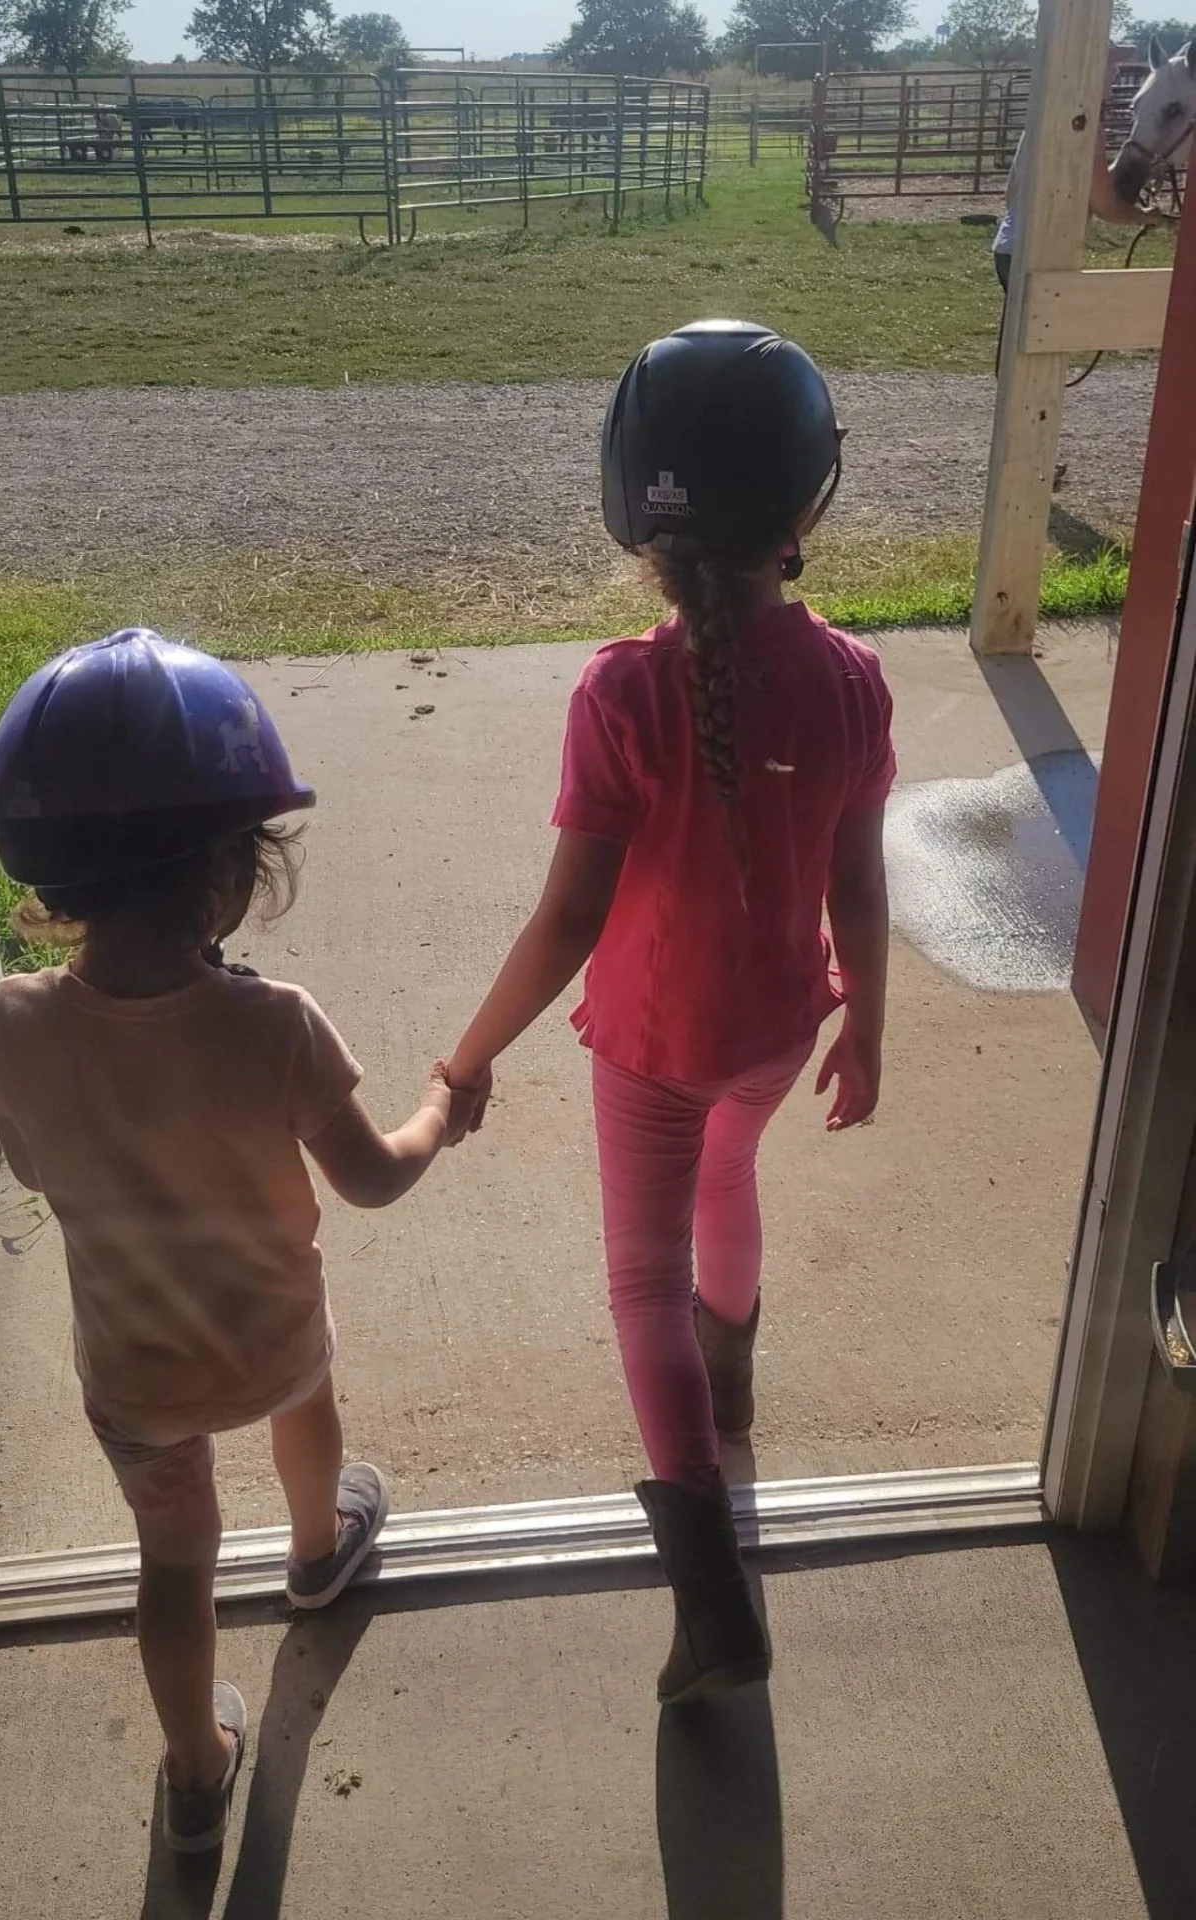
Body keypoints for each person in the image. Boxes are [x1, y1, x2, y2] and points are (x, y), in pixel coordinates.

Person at [0, 631, 472, 1853]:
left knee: (174, 1566)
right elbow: (373, 1178)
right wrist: (443, 1108)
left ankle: (196, 1775)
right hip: (270, 1336)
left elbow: (33, 1165)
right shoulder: (275, 1026)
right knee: (310, 1407)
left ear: (53, 877)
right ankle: (314, 1552)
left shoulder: (10, 1028)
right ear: (226, 880)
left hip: (137, 1377)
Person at [444, 322, 895, 1704]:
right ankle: (733, 1385)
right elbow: (857, 877)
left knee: (637, 1281)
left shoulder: (620, 689)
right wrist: (865, 1023)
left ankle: (707, 1594)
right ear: (809, 502)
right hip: (776, 1027)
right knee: (729, 1182)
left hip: (647, 1043)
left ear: (629, 508)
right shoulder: (848, 679)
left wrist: (465, 1056)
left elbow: (568, 918)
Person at [994, 42, 1163, 298]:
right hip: (1042, 255)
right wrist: (1145, 216)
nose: (1116, 72)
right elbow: (1106, 208)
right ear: (1089, 71)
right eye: (1110, 64)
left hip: (1010, 247)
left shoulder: (1045, 117)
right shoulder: (1085, 128)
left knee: (1020, 333)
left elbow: (1012, 192)